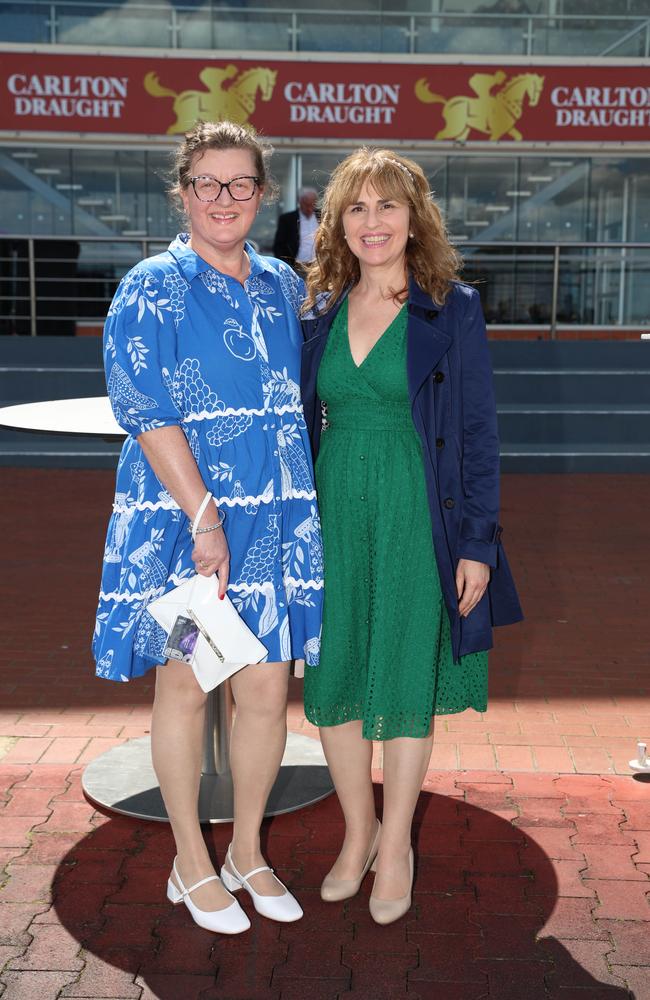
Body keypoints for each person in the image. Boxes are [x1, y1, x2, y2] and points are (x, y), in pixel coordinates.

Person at [93, 120, 323, 934]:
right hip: (190, 525)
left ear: (262, 194)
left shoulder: (282, 286)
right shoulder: (150, 286)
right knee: (188, 686)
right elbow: (146, 412)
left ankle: (247, 852)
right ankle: (190, 862)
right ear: (183, 192)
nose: (224, 199)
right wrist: (204, 518)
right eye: (207, 184)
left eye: (240, 184)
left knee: (266, 690)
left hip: (275, 519)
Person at [300, 148, 522, 925]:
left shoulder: (449, 306)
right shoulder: (318, 307)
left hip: (416, 510)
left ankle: (396, 842)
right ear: (338, 223)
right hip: (332, 510)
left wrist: (477, 543)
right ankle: (356, 832)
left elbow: (478, 433)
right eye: (356, 208)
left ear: (413, 218)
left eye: (386, 206)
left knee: (398, 669)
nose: (372, 222)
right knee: (334, 679)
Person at [272, 187, 319, 270]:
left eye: (312, 204)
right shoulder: (288, 219)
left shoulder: (323, 217)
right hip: (296, 267)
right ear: (300, 202)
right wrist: (286, 266)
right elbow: (279, 246)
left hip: (319, 267)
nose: (309, 208)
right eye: (306, 204)